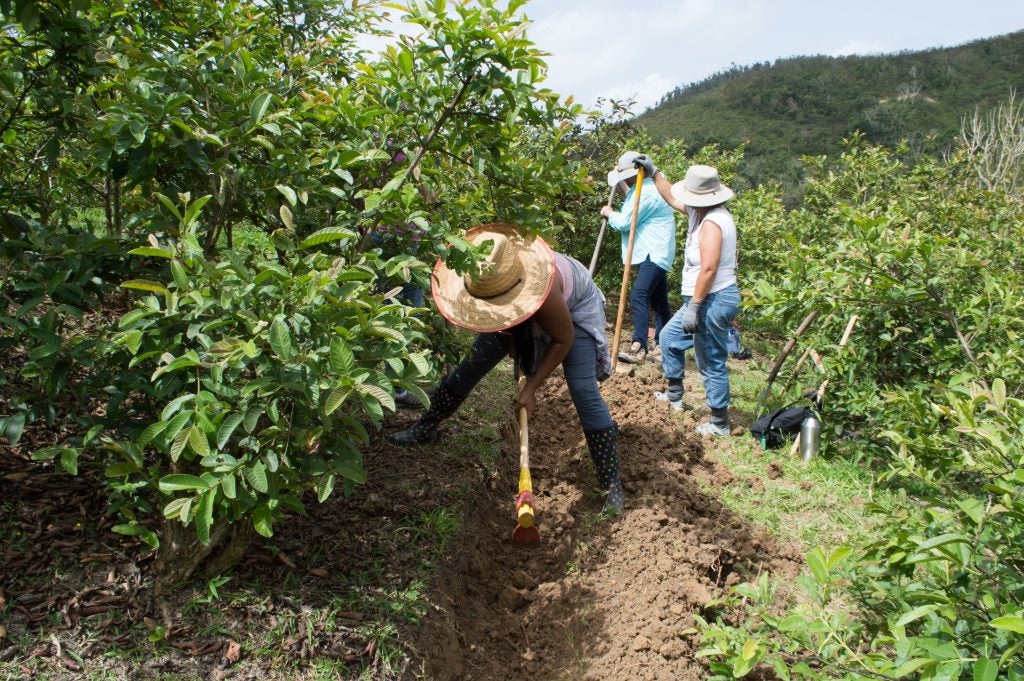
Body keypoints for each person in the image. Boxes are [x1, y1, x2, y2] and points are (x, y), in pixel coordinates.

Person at [389, 223, 625, 513]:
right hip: (520, 306)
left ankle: (612, 485)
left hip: (574, 312)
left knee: (582, 389)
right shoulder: (486, 280)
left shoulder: (546, 289)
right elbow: (507, 333)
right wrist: (518, 351)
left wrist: (532, 387)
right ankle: (425, 427)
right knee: (471, 366)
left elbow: (564, 340)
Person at [633, 157, 740, 436]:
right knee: (669, 339)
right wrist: (655, 172)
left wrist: (694, 306)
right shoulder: (699, 212)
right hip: (702, 300)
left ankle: (719, 423)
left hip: (712, 300)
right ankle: (674, 395)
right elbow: (670, 196)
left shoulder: (714, 222)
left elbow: (709, 268)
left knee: (710, 358)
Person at [600, 151, 676, 364]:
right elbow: (633, 197)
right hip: (656, 251)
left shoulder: (648, 193)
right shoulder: (644, 188)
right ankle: (663, 347)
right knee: (659, 301)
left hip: (653, 252)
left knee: (638, 295)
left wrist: (608, 213)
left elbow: (626, 222)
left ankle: (639, 346)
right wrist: (622, 186)